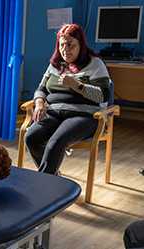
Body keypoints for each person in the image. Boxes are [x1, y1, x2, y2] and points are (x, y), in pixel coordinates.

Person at [25, 23, 111, 175]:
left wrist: (77, 85)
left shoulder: (95, 64)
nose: (65, 50)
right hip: (54, 112)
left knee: (55, 143)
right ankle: (53, 176)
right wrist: (39, 102)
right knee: (31, 137)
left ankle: (44, 185)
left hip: (84, 115)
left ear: (81, 45)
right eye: (62, 45)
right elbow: (41, 89)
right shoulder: (55, 64)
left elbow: (103, 95)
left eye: (71, 45)